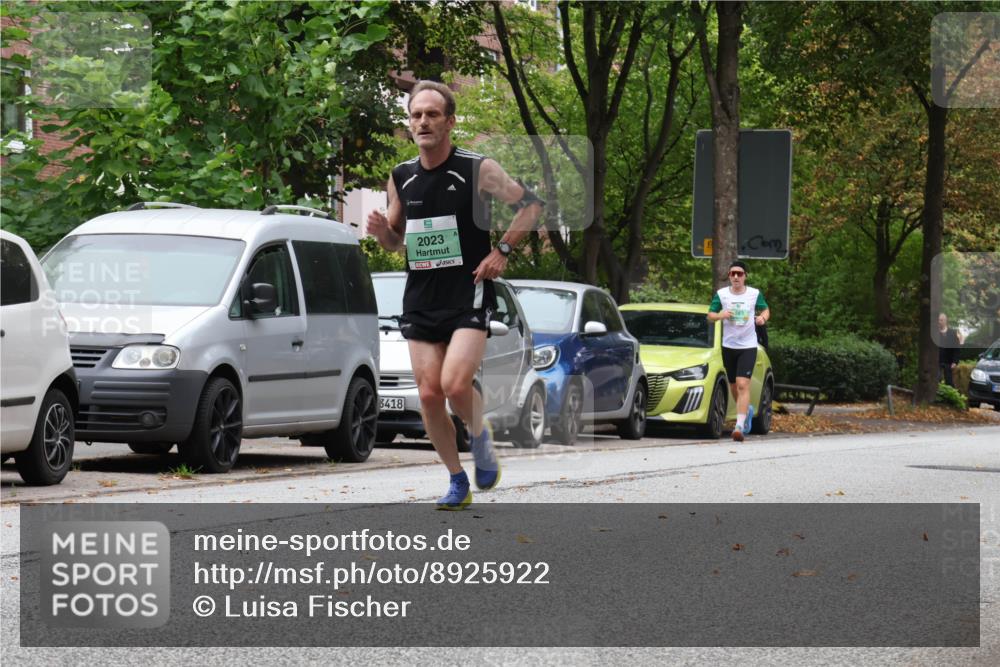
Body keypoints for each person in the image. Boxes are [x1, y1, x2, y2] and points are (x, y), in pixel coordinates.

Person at [366, 80, 543, 510]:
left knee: (454, 383)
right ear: (409, 123)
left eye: (431, 114)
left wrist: (501, 251)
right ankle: (456, 478)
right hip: (422, 297)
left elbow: (533, 205)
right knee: (428, 395)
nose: (422, 122)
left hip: (469, 292)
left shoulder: (477, 168)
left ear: (450, 121)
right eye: (415, 115)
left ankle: (480, 437)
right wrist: (381, 233)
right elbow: (396, 240)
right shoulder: (401, 176)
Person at [707, 260, 770, 442]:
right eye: (733, 273)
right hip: (729, 346)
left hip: (748, 346)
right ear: (729, 276)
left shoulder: (753, 294)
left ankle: (739, 427)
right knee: (734, 386)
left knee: (743, 384)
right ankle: (747, 411)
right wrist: (721, 315)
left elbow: (765, 310)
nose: (736, 277)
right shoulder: (722, 294)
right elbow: (710, 315)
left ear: (745, 277)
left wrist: (762, 319)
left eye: (739, 274)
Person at [937, 313, 961, 387]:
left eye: (941, 320)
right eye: (938, 320)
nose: (939, 322)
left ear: (945, 321)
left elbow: (956, 348)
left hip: (948, 361)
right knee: (937, 379)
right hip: (937, 361)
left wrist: (955, 361)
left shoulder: (953, 333)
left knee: (949, 382)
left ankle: (949, 397)